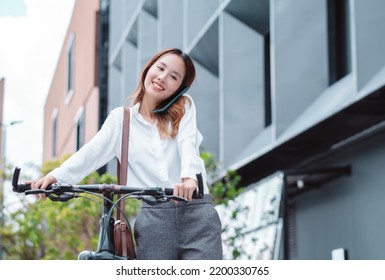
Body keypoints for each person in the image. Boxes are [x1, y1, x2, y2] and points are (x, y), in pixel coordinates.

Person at [31, 48, 223, 260]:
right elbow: (91, 152)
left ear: (179, 88)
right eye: (160, 68)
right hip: (154, 218)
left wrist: (188, 180)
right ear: (148, 67)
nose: (162, 78)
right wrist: (55, 177)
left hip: (195, 212)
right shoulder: (121, 120)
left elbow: (188, 144)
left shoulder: (184, 107)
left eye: (174, 77)